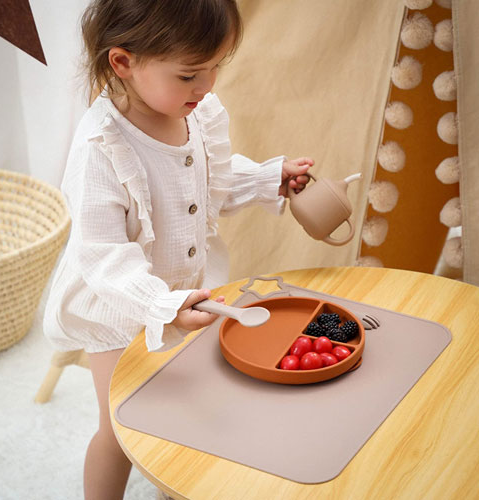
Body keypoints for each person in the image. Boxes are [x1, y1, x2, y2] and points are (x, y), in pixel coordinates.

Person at [43, 0, 313, 498]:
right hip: (119, 310)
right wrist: (157, 305)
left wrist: (266, 178)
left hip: (186, 298)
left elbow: (210, 183)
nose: (206, 85)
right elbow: (103, 256)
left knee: (186, 414)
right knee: (121, 428)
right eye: (190, 74)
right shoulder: (102, 148)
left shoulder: (197, 113)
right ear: (123, 62)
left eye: (215, 67)